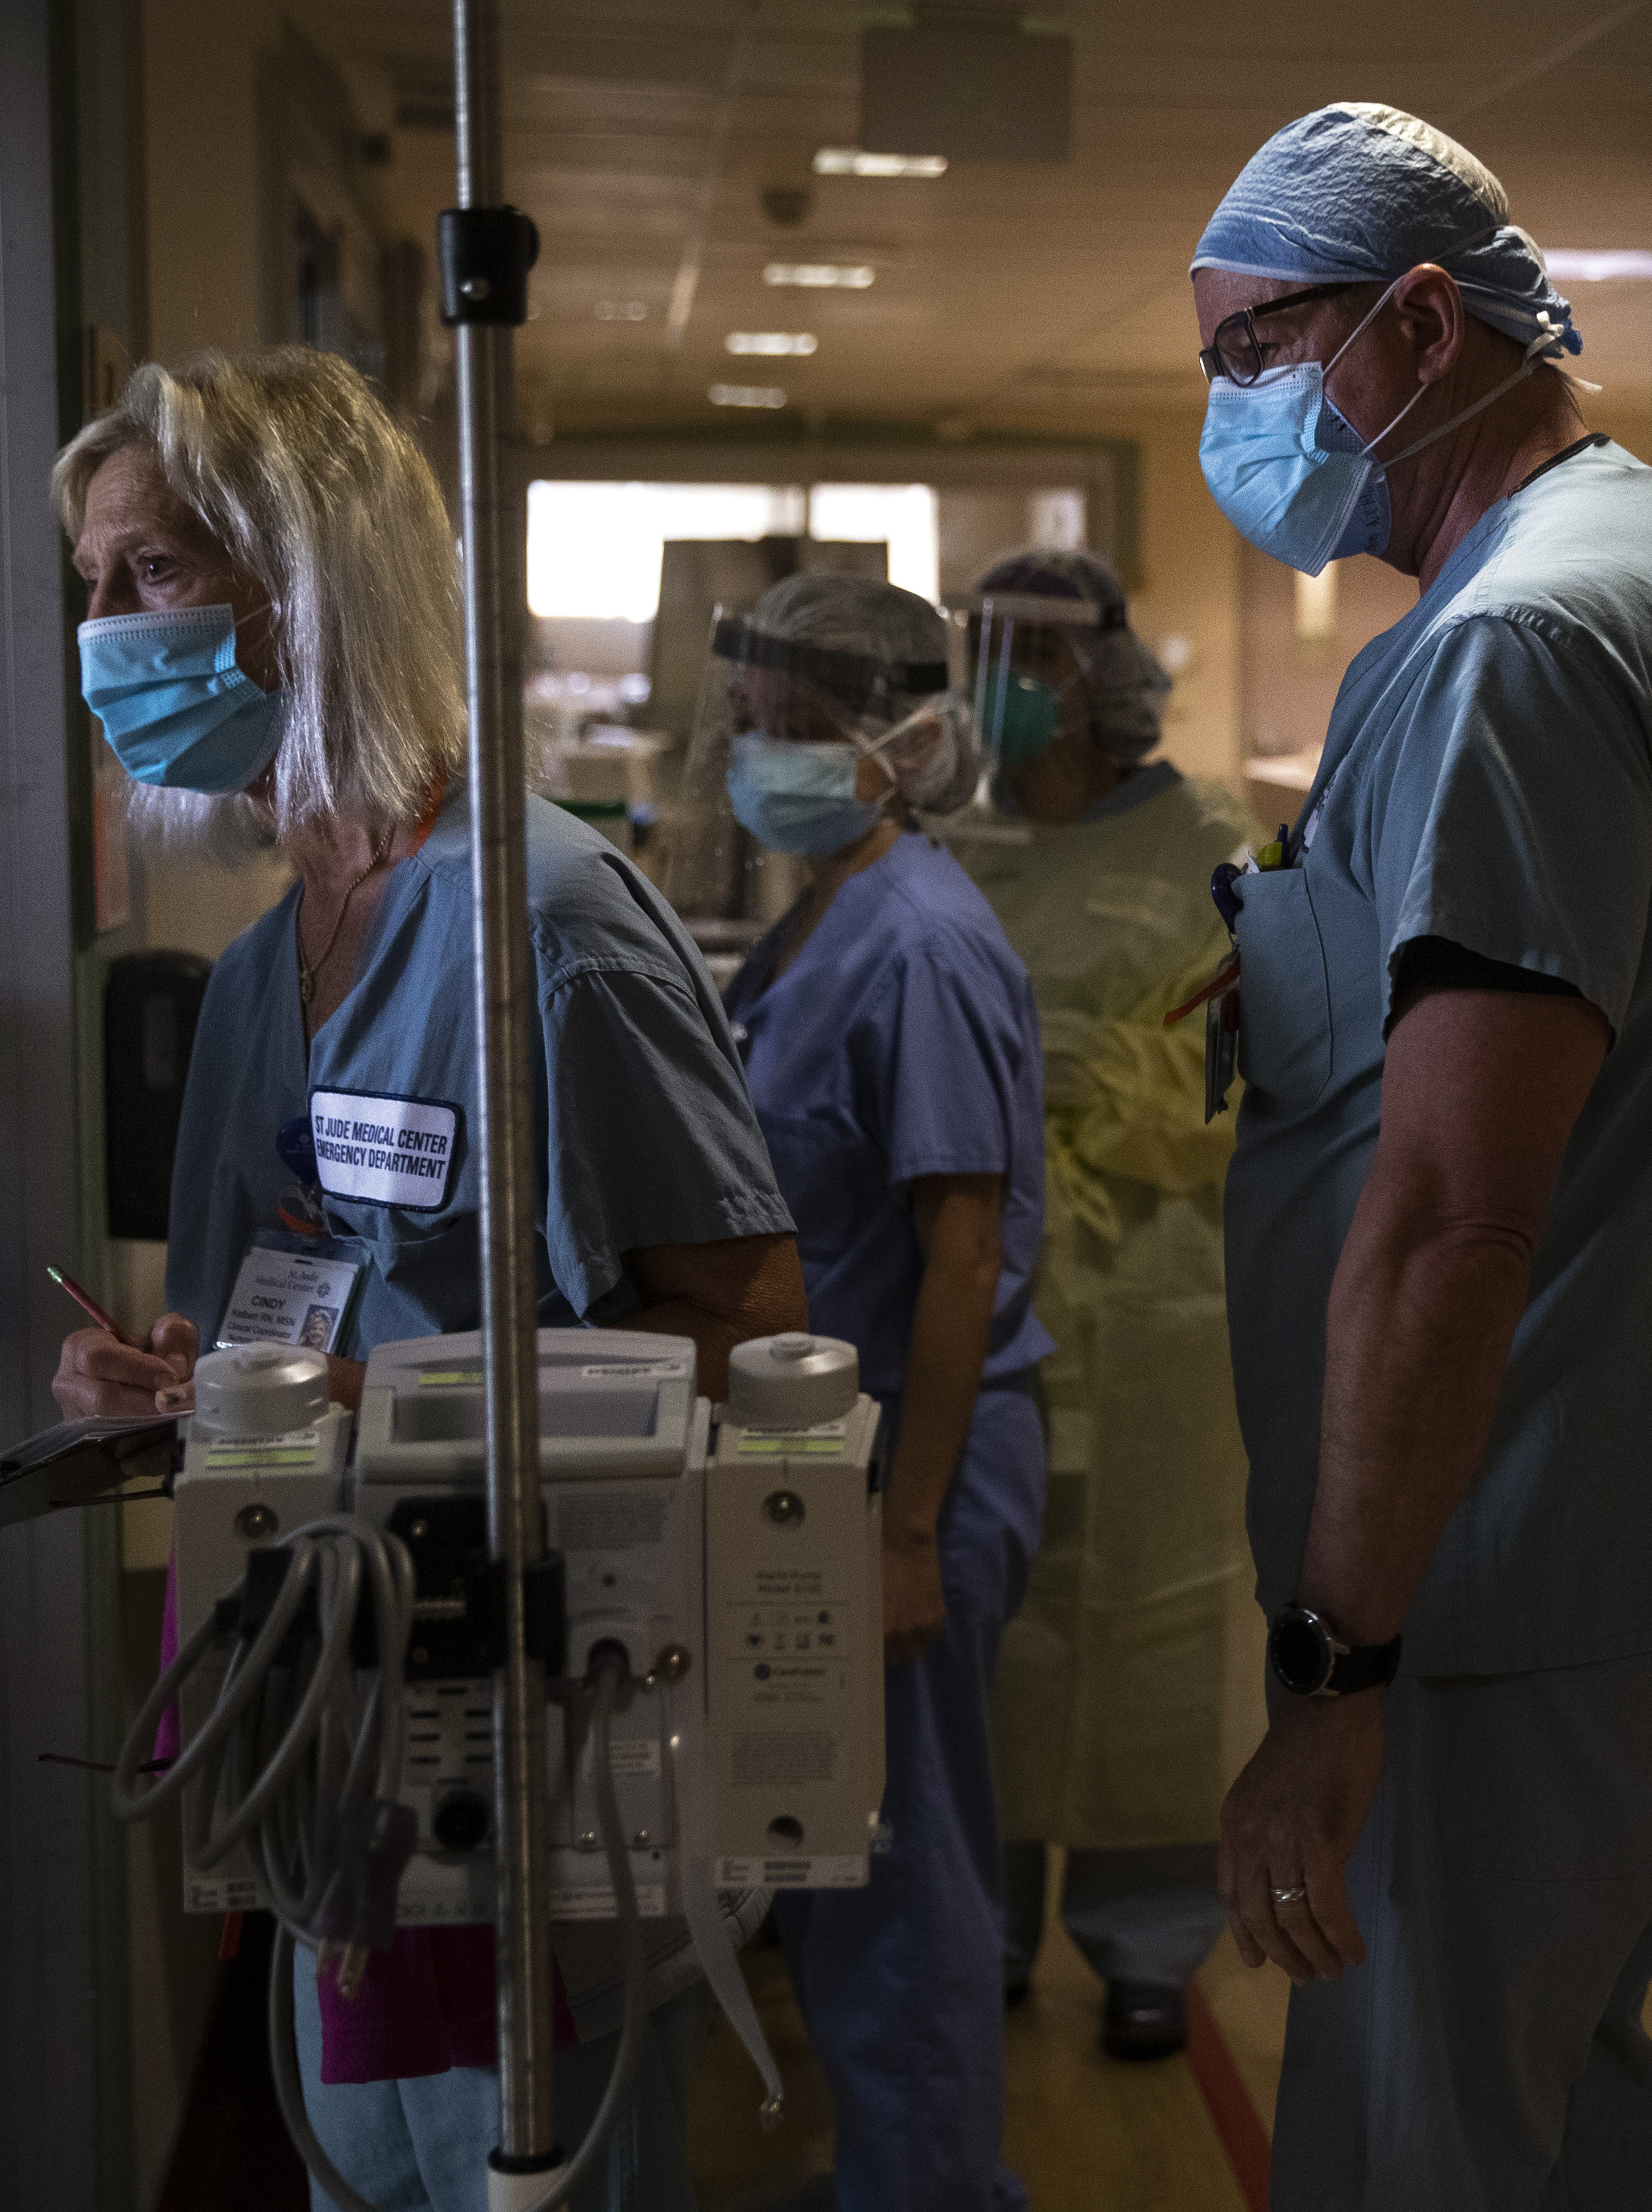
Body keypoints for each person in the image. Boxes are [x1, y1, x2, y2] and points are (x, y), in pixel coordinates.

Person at [1187, 104, 1652, 2210]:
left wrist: (1334, 1669)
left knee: (1425, 2148)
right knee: (1561, 2122)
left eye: (1256, 353)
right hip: (1638, 1545)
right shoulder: (1642, 579)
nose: (1232, 412)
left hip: (1507, 1577)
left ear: (1420, 324)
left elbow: (1454, 1222)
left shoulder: (1519, 646)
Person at [42, 347, 811, 2212]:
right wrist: (174, 1379)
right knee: (363, 2171)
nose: (102, 636)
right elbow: (297, 1305)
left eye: (148, 577)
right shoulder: (255, 975)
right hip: (330, 1731)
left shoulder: (536, 927)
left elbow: (746, 1331)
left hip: (542, 1737)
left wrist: (398, 1407)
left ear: (305, 588)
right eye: (90, 585)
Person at [709, 575, 1050, 2211]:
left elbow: (962, 1250)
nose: (753, 755)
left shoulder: (917, 937)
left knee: (903, 1892)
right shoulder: (834, 904)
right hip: (845, 1462)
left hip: (916, 1471)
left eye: (787, 730)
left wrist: (905, 1530)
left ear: (894, 746)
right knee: (850, 1875)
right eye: (751, 723)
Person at [955, 546, 1258, 2062]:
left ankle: (1149, 1943)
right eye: (986, 647)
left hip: (1153, 1295)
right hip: (987, 1294)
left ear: (1106, 674)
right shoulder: (948, 844)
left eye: (1040, 653)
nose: (1010, 683)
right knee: (992, 1611)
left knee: (1151, 1616)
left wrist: (1099, 1073)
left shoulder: (1210, 844)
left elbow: (1252, 1070)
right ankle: (988, 1927)